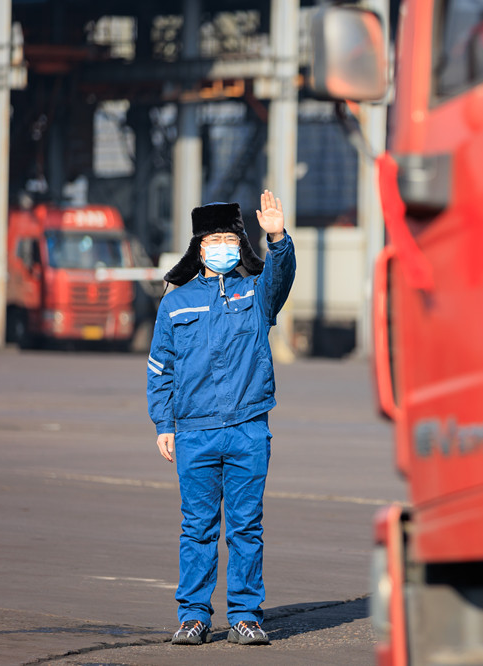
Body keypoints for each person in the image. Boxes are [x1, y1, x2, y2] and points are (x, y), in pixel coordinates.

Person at [146, 191, 296, 646]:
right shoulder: (176, 303)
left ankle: (245, 616)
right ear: (199, 248)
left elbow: (281, 277)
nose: (222, 247)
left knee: (246, 528)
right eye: (213, 240)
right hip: (194, 432)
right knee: (197, 529)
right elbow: (160, 368)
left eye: (230, 239)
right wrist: (163, 424)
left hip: (249, 428)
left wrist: (278, 238)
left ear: (240, 244)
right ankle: (193, 616)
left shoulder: (256, 293)